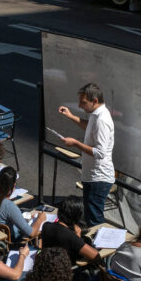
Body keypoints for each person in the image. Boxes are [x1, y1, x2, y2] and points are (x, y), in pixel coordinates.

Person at [56, 82, 115, 227]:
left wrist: (75, 143)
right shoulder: (97, 115)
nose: (80, 106)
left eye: (83, 102)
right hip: (92, 175)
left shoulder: (102, 120)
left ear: (95, 101)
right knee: (91, 215)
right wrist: (70, 116)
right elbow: (88, 126)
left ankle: (99, 247)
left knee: (94, 219)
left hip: (98, 177)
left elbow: (100, 152)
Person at [0, 167, 45, 244]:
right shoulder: (9, 206)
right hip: (11, 240)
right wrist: (40, 219)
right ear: (14, 185)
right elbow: (31, 233)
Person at [40, 197, 100, 265]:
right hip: (64, 270)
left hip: (47, 264)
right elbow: (95, 256)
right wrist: (78, 237)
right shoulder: (71, 236)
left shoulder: (46, 225)